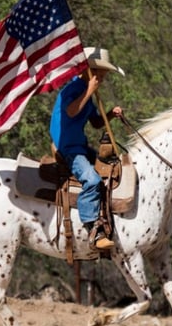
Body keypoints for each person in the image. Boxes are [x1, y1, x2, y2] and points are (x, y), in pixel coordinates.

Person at [49, 47, 125, 250]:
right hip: (69, 148)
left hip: (80, 146)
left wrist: (110, 114)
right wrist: (89, 90)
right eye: (100, 72)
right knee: (92, 179)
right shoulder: (72, 90)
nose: (103, 77)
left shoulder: (87, 93)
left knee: (114, 166)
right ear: (88, 70)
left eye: (104, 74)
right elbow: (72, 111)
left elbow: (96, 123)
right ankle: (92, 228)